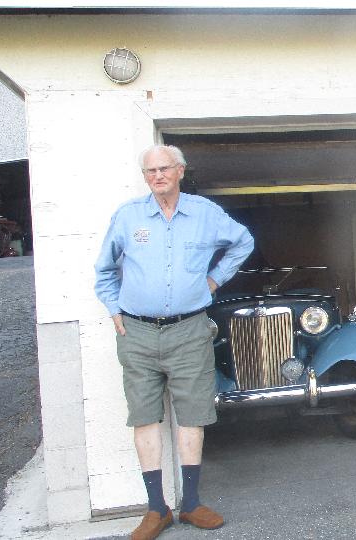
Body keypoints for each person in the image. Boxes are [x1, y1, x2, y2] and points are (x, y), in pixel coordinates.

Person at [95, 144, 254, 540]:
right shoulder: (128, 216)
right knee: (144, 417)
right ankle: (156, 509)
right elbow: (104, 270)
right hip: (137, 333)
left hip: (189, 330)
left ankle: (191, 504)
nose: (158, 176)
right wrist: (114, 310)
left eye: (164, 169)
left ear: (180, 171)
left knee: (192, 416)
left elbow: (243, 242)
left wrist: (214, 280)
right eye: (150, 171)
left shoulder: (205, 214)